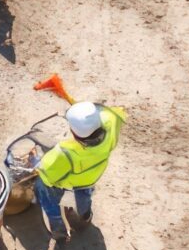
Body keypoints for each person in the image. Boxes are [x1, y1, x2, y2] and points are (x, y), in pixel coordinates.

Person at [34, 98, 128, 240]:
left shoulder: (66, 153)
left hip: (71, 179)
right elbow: (112, 111)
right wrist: (84, 113)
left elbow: (48, 175)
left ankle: (59, 230)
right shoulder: (112, 120)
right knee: (84, 195)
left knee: (43, 188)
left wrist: (37, 168)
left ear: (73, 132)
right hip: (91, 176)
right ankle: (85, 216)